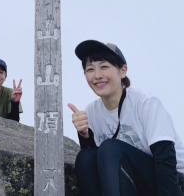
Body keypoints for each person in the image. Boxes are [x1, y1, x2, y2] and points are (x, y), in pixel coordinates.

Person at [68, 40, 184, 195]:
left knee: (111, 147)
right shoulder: (92, 111)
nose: (97, 76)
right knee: (86, 157)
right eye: (90, 69)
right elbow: (97, 168)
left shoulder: (145, 103)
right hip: (134, 182)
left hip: (173, 181)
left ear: (122, 71)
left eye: (104, 67)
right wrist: (86, 136)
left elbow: (166, 159)